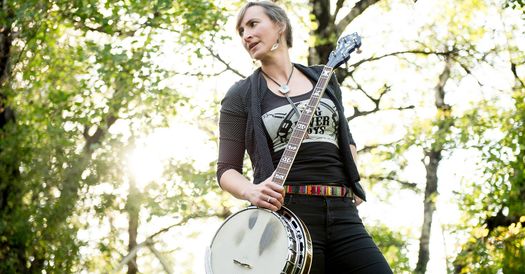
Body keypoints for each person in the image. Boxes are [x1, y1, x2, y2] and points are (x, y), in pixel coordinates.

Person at [216, 1, 393, 273]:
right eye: (241, 31)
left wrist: (352, 177)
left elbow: (345, 138)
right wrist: (252, 191)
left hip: (344, 212)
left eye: (253, 24)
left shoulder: (324, 78)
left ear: (280, 26)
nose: (245, 35)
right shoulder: (240, 95)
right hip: (289, 216)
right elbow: (226, 170)